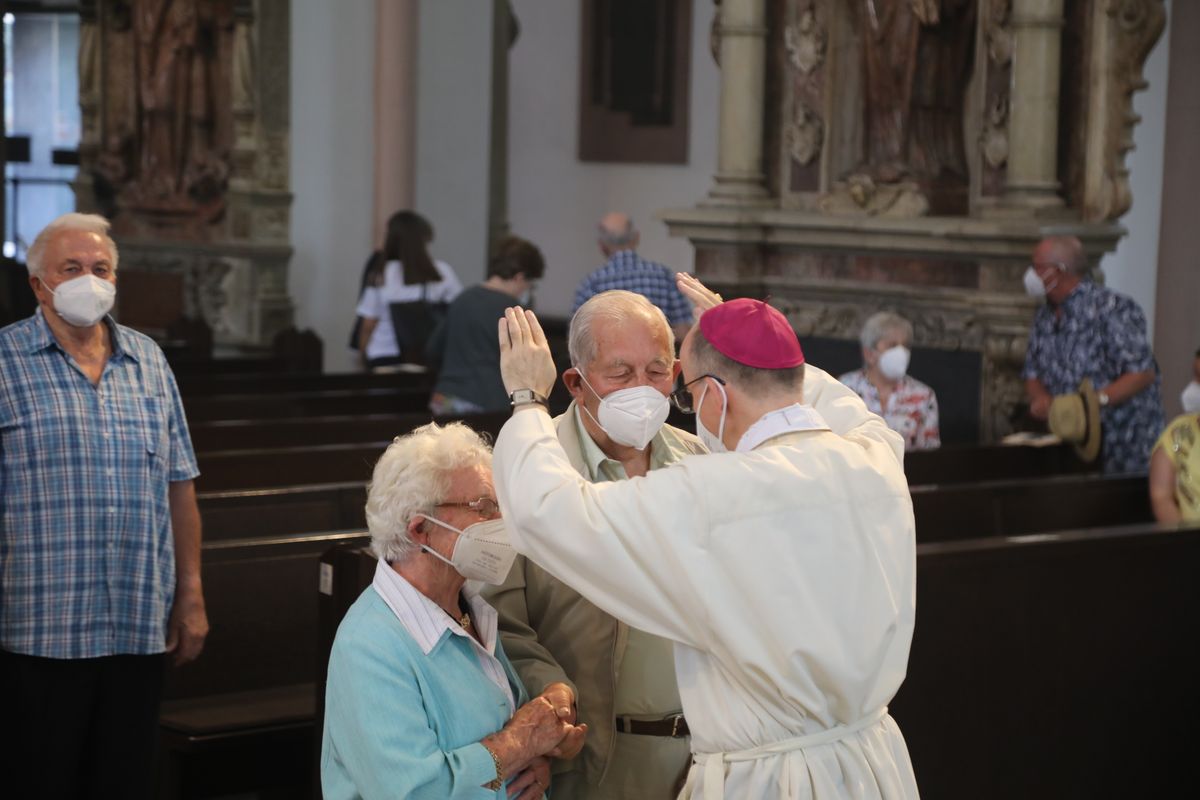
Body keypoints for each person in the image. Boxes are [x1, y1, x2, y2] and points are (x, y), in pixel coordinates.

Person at [492, 287, 918, 798]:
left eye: (683, 391)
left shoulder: (711, 491)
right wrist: (746, 339)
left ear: (714, 394)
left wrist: (526, 401)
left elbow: (548, 513)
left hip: (769, 778)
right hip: (869, 761)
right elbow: (846, 408)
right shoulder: (877, 458)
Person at [0, 212, 207, 800]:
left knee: (124, 781)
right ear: (39, 283)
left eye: (100, 268)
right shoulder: (5, 361)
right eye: (71, 269)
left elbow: (179, 485)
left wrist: (190, 593)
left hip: (137, 621)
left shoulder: (148, 362)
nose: (88, 279)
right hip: (37, 628)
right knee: (38, 778)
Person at [484, 290, 706, 799]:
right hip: (587, 756)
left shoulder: (701, 461)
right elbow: (499, 616)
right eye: (620, 373)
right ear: (576, 383)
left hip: (701, 753)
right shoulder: (529, 466)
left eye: (655, 372)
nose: (643, 390)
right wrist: (550, 694)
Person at [321, 421, 587, 800]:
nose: (500, 522)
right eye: (483, 507)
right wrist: (518, 745)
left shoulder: (468, 608)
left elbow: (496, 733)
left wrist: (534, 764)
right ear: (419, 529)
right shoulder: (369, 645)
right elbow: (413, 792)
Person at [1022, 235, 1165, 473]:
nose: (1031, 274)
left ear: (1059, 271)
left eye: (1037, 266)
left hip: (1122, 444)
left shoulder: (1112, 308)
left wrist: (1092, 402)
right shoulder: (1044, 315)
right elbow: (1032, 371)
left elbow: (1142, 373)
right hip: (1070, 443)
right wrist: (1041, 399)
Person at [428, 235, 546, 414]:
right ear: (519, 277)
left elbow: (432, 349)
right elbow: (530, 363)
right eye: (529, 284)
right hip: (487, 402)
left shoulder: (462, 299)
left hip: (445, 397)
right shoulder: (515, 313)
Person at [356, 210, 463, 369]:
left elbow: (368, 324)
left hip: (384, 354)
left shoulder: (381, 273)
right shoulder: (441, 272)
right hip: (424, 355)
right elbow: (459, 311)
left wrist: (362, 353)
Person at [572, 212, 693, 341]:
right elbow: (683, 332)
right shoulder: (664, 277)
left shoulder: (591, 284)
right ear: (636, 238)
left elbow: (578, 338)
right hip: (658, 358)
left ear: (602, 246)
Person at [839, 311, 940, 450]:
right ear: (869, 353)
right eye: (892, 345)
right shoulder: (845, 388)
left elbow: (931, 454)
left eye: (905, 346)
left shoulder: (924, 395)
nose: (901, 352)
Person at [1149, 349, 1200, 523]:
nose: (1195, 385)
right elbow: (1161, 496)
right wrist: (1185, 542)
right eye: (1196, 376)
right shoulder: (1179, 433)